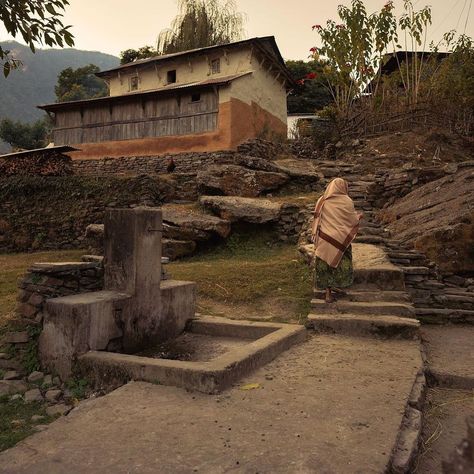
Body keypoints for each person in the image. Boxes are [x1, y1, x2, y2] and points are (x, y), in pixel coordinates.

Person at [311, 178, 362, 303]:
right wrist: (359, 217)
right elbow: (352, 220)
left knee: (325, 265)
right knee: (340, 263)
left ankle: (328, 292)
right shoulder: (347, 201)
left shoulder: (322, 200)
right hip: (340, 239)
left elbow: (317, 219)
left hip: (324, 238)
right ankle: (337, 286)